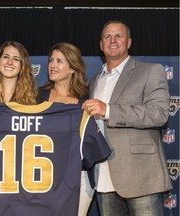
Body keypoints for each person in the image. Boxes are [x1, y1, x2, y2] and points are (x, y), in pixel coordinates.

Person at [83, 20, 172, 216]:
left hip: (141, 177)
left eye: (118, 36)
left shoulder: (150, 71)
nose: (112, 40)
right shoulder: (95, 80)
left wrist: (108, 110)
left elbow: (158, 114)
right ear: (101, 44)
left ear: (129, 42)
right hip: (103, 177)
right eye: (107, 36)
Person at [37, 42, 94, 216]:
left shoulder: (87, 98)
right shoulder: (37, 96)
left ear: (72, 68)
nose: (53, 65)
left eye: (59, 61)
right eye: (51, 60)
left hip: (79, 176)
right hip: (43, 177)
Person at [0, 40, 38, 105]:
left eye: (16, 59)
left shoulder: (32, 96)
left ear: (22, 66)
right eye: (6, 57)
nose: (10, 62)